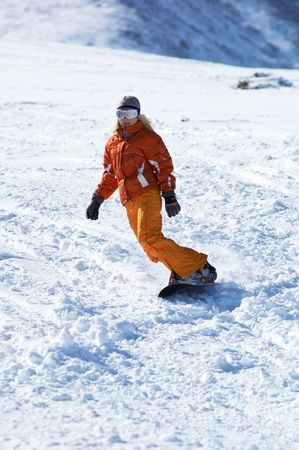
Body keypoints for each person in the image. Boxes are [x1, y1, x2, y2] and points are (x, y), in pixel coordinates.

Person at [86, 95, 217, 285]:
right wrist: (97, 199)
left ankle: (199, 268)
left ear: (138, 115)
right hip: (129, 199)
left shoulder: (148, 138)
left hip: (147, 193)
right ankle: (182, 271)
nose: (125, 118)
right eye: (121, 113)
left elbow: (164, 168)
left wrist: (170, 196)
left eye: (130, 113)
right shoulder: (112, 143)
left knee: (150, 237)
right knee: (148, 245)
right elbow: (111, 174)